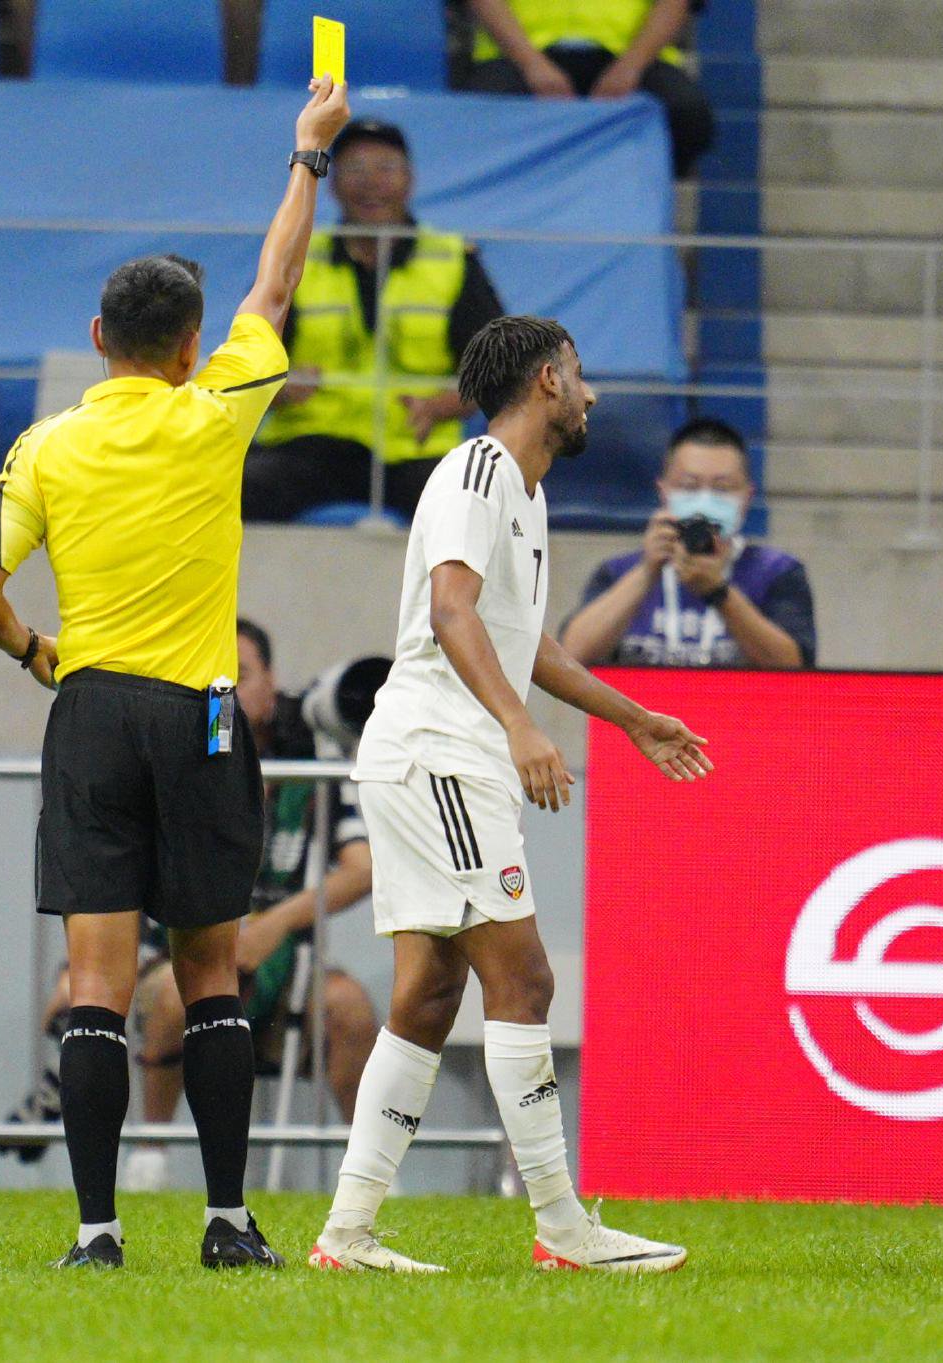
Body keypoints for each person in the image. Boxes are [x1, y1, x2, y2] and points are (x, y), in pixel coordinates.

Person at [0, 76, 356, 1270]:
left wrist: (38, 653)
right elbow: (273, 282)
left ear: (94, 342)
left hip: (88, 711)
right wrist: (305, 156)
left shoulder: (45, 444)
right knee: (212, 968)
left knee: (94, 980)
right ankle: (228, 1222)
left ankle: (94, 1231)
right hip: (203, 713)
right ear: (191, 349)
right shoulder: (212, 409)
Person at [309, 316, 712, 1276]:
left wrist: (630, 717)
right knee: (523, 978)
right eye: (580, 375)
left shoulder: (523, 498)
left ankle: (348, 1233)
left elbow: (528, 643)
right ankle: (565, 1229)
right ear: (545, 381)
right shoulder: (479, 472)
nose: (592, 395)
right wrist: (521, 727)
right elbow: (451, 612)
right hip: (442, 754)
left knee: (429, 990)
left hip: (439, 753)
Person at [0, 622, 382, 1191]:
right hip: (168, 949)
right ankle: (151, 1158)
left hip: (283, 962)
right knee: (177, 993)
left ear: (273, 682)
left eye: (242, 676)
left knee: (348, 1006)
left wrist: (274, 925)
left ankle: (370, 1171)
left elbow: (363, 867)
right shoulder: (193, 736)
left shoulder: (312, 751)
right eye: (222, 677)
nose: (228, 690)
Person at [243, 119, 507, 523]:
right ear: (332, 183)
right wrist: (276, 386)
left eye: (385, 168)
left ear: (410, 179)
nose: (371, 182)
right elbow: (246, 362)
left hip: (414, 446)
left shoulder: (453, 260)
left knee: (472, 509)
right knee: (237, 488)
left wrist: (444, 404)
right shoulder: (295, 259)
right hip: (312, 441)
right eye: (355, 169)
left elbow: (497, 371)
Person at [559, 416, 816, 669]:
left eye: (722, 488)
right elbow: (570, 657)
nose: (704, 500)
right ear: (664, 491)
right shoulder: (619, 571)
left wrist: (719, 592)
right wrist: (647, 571)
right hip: (638, 709)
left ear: (747, 497)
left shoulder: (777, 572)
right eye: (689, 486)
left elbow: (795, 667)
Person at [462, 0, 714, 177]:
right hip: (519, 54)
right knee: (474, 116)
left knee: (687, 113)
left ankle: (645, 199)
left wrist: (630, 67)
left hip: (630, 53)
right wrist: (532, 65)